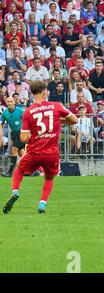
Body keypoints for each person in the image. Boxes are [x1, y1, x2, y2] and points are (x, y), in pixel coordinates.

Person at [2, 81, 78, 214]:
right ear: (44, 92)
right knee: (49, 178)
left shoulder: (28, 112)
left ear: (32, 93)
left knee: (19, 170)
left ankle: (15, 192)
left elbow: (24, 139)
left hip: (34, 152)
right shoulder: (56, 106)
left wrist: (31, 130)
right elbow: (74, 120)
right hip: (52, 153)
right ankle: (42, 204)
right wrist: (58, 121)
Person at [0, 97, 25, 177]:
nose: (9, 103)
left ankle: (10, 172)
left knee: (14, 150)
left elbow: (28, 120)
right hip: (14, 134)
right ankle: (32, 170)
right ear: (6, 103)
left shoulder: (20, 111)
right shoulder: (5, 113)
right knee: (21, 153)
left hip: (21, 132)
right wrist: (0, 135)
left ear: (14, 102)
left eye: (11, 101)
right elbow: (0, 123)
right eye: (8, 101)